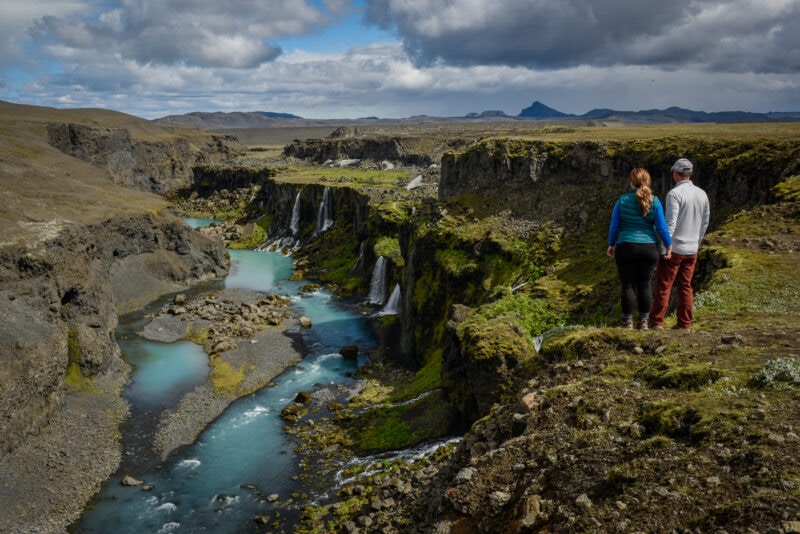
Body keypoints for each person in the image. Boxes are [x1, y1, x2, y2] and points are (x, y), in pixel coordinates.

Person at [649, 158, 710, 331]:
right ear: (689, 174)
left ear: (676, 174)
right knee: (686, 286)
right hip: (692, 249)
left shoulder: (674, 194)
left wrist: (665, 247)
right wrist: (697, 243)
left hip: (674, 248)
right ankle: (685, 323)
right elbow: (705, 222)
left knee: (664, 285)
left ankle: (657, 321)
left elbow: (671, 223)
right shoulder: (702, 194)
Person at [608, 168, 672, 330]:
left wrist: (611, 244)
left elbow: (614, 226)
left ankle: (627, 322)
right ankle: (644, 321)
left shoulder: (622, 201)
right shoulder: (655, 201)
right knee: (645, 285)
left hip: (625, 246)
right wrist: (668, 245)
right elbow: (662, 228)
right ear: (647, 182)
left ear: (631, 182)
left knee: (627, 285)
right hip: (648, 248)